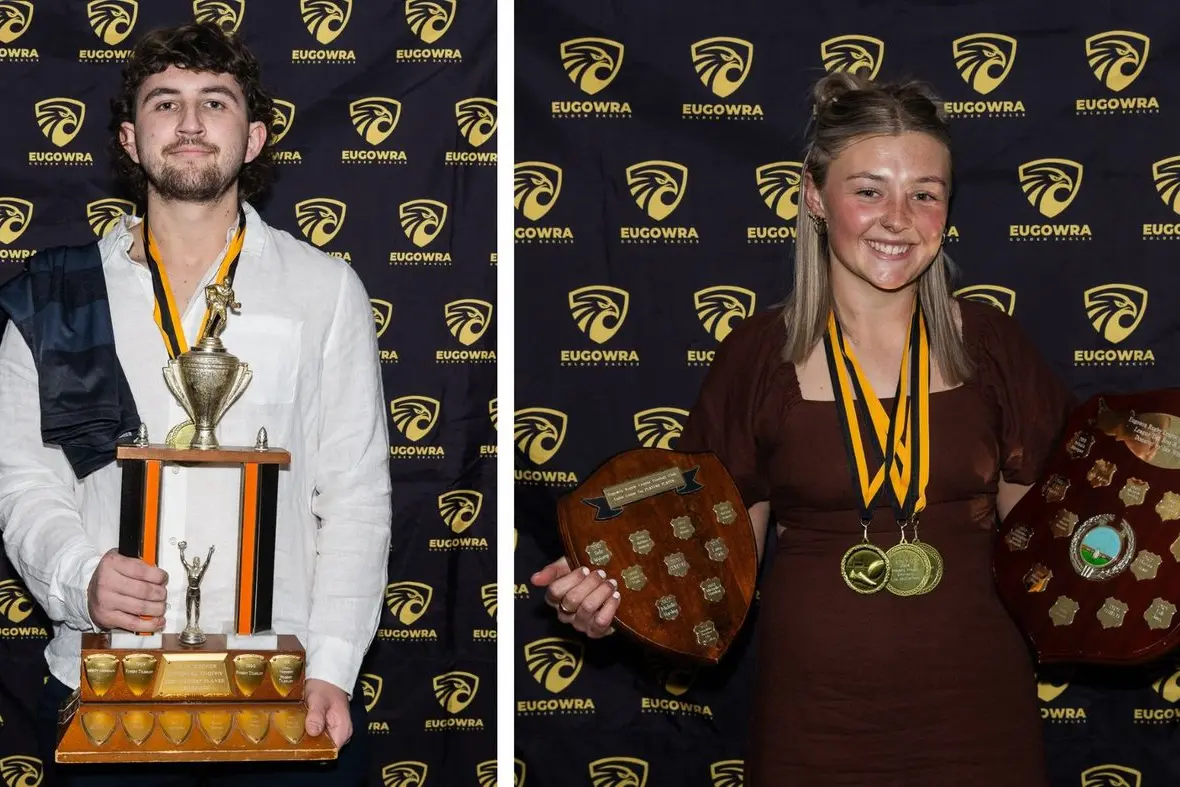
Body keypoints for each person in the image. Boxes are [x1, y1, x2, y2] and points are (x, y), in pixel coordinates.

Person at [532, 72, 1075, 786]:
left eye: (925, 192)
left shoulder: (993, 347)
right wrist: (612, 603)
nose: (898, 217)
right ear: (815, 196)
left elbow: (1057, 542)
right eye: (869, 189)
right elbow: (706, 569)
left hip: (978, 717)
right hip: (816, 724)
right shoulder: (758, 357)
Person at [0, 22, 390, 786]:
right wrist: (83, 576)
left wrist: (335, 662)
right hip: (108, 675)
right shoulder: (55, 294)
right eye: (163, 103)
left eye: (215, 102)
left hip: (284, 675)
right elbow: (23, 480)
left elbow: (356, 496)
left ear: (253, 139)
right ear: (127, 136)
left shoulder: (323, 288)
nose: (188, 122)